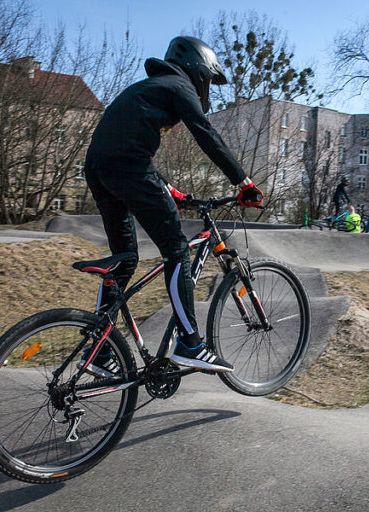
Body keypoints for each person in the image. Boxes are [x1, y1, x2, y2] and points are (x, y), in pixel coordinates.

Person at [81, 36, 263, 376]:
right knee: (177, 250)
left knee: (125, 260)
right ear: (199, 70)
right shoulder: (180, 86)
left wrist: (170, 191)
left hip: (99, 168)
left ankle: (98, 349)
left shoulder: (151, 88)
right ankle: (190, 344)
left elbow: (127, 147)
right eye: (209, 80)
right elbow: (206, 133)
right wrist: (244, 183)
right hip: (127, 167)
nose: (208, 87)